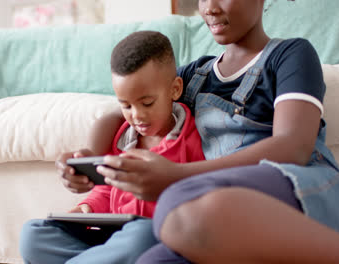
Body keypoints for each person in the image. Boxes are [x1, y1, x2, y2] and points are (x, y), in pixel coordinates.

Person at [58, 0, 339, 263]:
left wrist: (178, 176)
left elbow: (293, 147)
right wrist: (91, 160)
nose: (210, 8)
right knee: (153, 256)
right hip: (228, 204)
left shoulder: (290, 55)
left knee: (175, 205)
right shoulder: (194, 75)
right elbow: (118, 113)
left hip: (298, 184)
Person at [19, 31, 205, 264]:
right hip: (112, 237)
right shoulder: (123, 137)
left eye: (147, 103)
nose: (136, 115)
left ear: (175, 89)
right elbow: (107, 188)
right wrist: (85, 209)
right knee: (33, 234)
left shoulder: (191, 139)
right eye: (125, 105)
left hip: (152, 238)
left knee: (141, 237)